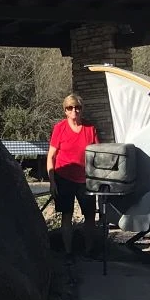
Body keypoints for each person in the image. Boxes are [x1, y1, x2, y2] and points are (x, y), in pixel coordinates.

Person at [47, 93, 98, 261]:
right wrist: (52, 181)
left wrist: (98, 179)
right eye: (70, 108)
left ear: (81, 110)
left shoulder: (90, 129)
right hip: (64, 177)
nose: (74, 110)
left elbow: (97, 154)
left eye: (77, 107)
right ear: (65, 111)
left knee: (90, 216)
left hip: (85, 180)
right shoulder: (59, 128)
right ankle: (68, 252)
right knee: (66, 215)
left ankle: (89, 250)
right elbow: (51, 156)